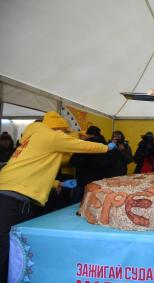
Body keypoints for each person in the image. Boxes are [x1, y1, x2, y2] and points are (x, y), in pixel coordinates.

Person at [0, 111, 116, 283]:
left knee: (16, 247)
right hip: (10, 201)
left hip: (11, 196)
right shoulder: (50, 136)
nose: (66, 135)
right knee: (5, 250)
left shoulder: (34, 137)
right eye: (65, 132)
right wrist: (106, 147)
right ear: (57, 129)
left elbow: (33, 168)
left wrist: (57, 184)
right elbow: (82, 146)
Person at [69, 125, 113, 204]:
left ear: (88, 134)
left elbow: (72, 162)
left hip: (83, 181)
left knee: (76, 205)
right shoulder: (106, 146)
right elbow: (110, 163)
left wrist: (85, 160)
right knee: (96, 205)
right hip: (99, 182)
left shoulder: (83, 145)